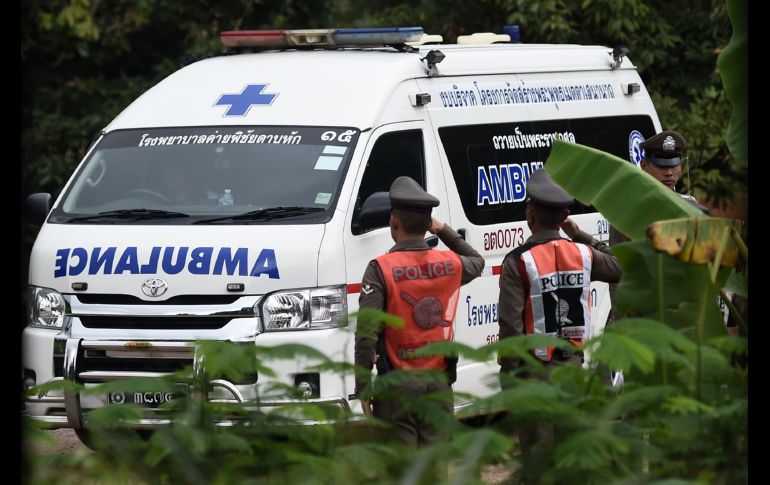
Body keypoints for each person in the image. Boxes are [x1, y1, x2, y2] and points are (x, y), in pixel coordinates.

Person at [497, 169, 622, 473]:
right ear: (565, 214)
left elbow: (511, 329)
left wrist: (509, 380)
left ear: (530, 213)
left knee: (539, 463)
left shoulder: (518, 261)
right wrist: (579, 234)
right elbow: (619, 266)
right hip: (573, 374)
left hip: (533, 376)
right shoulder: (583, 254)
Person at [354, 176, 484, 448]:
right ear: (427, 225)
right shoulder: (449, 264)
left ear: (394, 221)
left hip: (397, 390)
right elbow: (477, 260)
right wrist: (442, 230)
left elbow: (366, 333)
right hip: (438, 387)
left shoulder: (380, 268)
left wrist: (363, 386)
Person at [609, 130, 707, 321]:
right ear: (645, 166)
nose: (669, 172)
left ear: (681, 166)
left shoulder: (693, 209)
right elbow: (620, 274)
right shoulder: (626, 212)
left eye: (673, 165)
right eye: (661, 166)